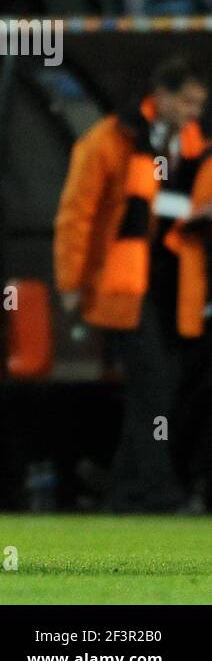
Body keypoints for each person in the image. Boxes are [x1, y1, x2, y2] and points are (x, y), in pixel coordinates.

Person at [55, 57, 211, 512]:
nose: (193, 112)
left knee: (156, 392)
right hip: (126, 285)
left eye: (199, 104)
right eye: (186, 101)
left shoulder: (192, 145)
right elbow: (76, 215)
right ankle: (160, 495)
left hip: (173, 287)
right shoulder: (109, 140)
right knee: (155, 390)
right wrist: (71, 280)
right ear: (159, 95)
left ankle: (122, 492)